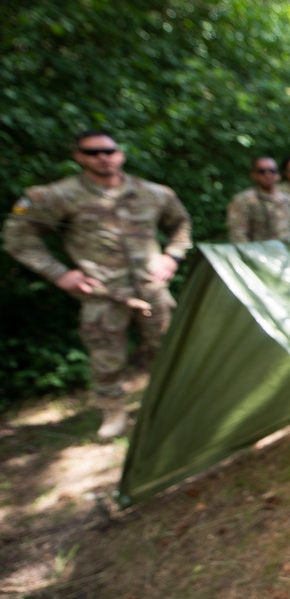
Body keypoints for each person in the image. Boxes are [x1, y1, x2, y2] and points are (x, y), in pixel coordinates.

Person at [3, 130, 192, 438]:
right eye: (92, 152)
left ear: (120, 154)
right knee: (107, 357)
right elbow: (19, 235)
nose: (103, 157)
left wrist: (172, 256)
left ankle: (175, 405)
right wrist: (59, 273)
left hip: (151, 289)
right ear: (79, 157)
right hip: (103, 293)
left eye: (109, 150)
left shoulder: (154, 193)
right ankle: (114, 413)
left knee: (168, 349)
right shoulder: (58, 196)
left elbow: (181, 224)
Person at [226, 156, 290, 242]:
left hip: (287, 253)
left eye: (272, 171)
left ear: (278, 175)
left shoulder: (289, 201)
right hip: (258, 253)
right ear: (253, 175)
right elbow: (238, 234)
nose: (268, 175)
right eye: (262, 171)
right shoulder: (244, 201)